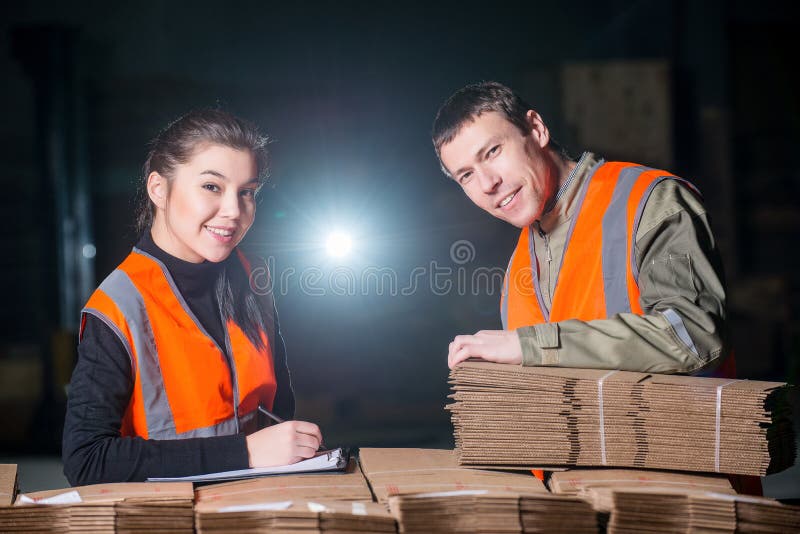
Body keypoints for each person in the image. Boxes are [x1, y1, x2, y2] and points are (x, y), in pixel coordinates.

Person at [62, 109, 323, 485]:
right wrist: (245, 453)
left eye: (247, 192)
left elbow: (277, 409)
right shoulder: (119, 307)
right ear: (159, 189)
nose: (234, 211)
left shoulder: (252, 278)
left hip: (258, 508)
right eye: (212, 187)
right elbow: (85, 461)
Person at [434, 81, 733, 377]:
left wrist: (532, 346)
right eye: (467, 176)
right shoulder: (518, 267)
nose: (488, 184)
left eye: (493, 152)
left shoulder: (646, 201)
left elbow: (695, 335)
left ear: (536, 129)